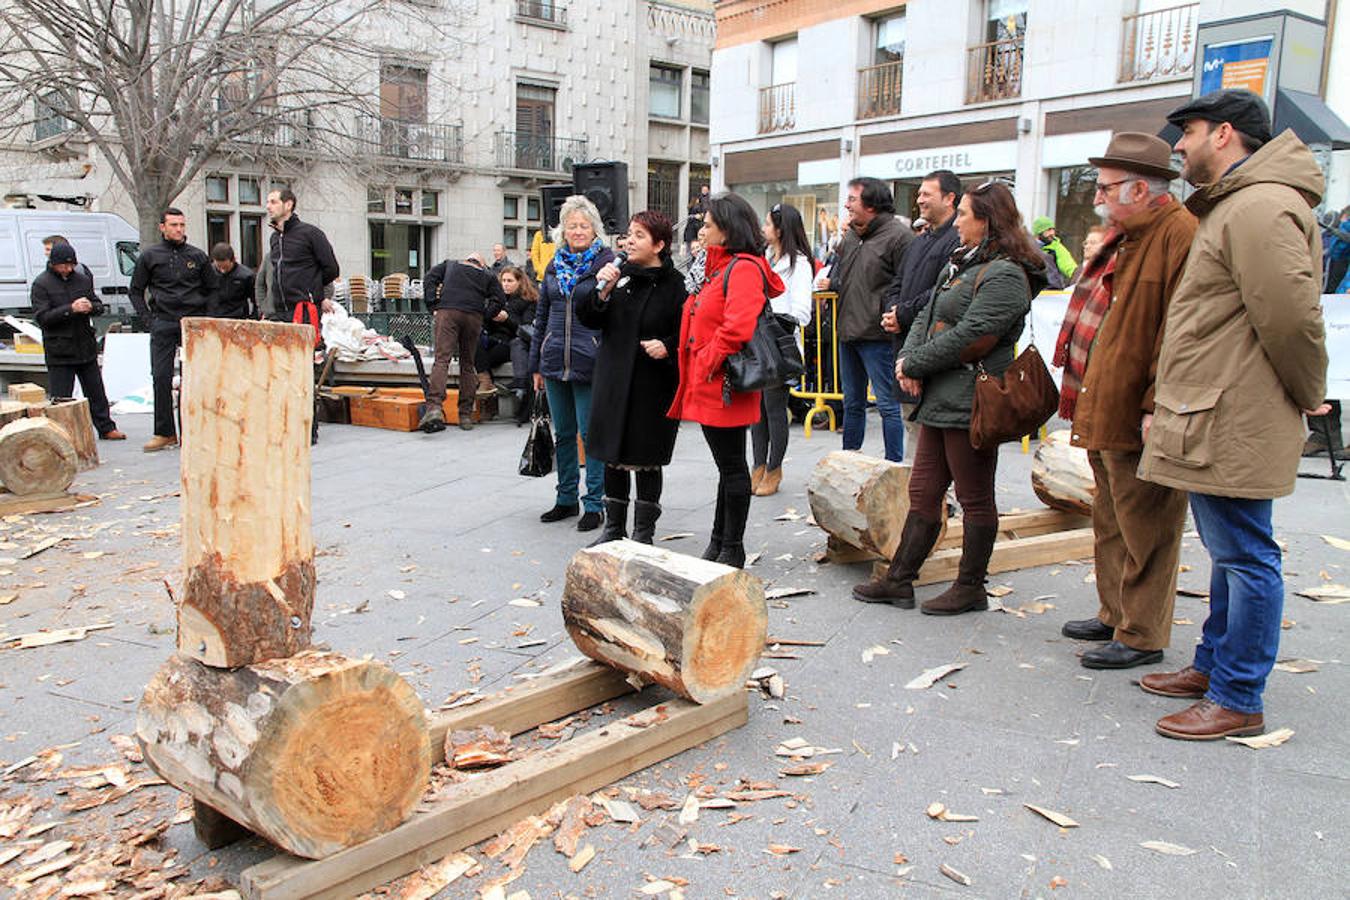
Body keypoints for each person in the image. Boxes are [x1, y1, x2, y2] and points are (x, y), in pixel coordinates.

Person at [1138, 90, 1328, 741]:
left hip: (1232, 411)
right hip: (1215, 407)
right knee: (1230, 550)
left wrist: (1309, 392)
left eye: (1186, 132)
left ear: (1223, 134)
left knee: (1246, 554)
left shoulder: (1257, 206)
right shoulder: (1243, 204)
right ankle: (1216, 666)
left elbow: (1292, 317)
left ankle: (1238, 694)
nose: (1179, 145)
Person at [852, 181, 1042, 614]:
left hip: (971, 400)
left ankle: (971, 587)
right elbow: (925, 315)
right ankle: (899, 580)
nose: (957, 222)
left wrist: (916, 364)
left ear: (988, 221)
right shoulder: (961, 264)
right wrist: (910, 359)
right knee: (923, 492)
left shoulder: (1008, 274)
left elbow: (971, 335)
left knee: (975, 497)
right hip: (941, 397)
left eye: (964, 215)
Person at [1052, 132, 1197, 670]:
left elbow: (1181, 334)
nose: (1097, 198)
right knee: (1112, 515)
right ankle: (1115, 612)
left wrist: (1156, 403)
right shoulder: (1126, 235)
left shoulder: (1178, 234)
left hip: (1138, 407)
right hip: (1103, 398)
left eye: (1107, 188)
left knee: (1149, 525)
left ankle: (1141, 633)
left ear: (1140, 190)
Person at [668, 192, 785, 568]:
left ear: (727, 227)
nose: (701, 230)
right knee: (728, 465)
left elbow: (737, 325)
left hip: (723, 383)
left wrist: (707, 359)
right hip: (711, 381)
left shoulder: (744, 268)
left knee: (732, 466)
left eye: (707, 223)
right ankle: (721, 541)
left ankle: (731, 547)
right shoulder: (718, 266)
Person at [576, 210, 684, 543]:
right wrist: (601, 289)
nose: (629, 241)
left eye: (639, 235)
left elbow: (687, 332)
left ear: (659, 244)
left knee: (646, 459)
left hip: (651, 386)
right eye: (629, 234)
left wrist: (667, 346)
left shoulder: (674, 284)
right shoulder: (619, 276)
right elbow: (589, 316)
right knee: (613, 455)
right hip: (613, 379)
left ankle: (643, 533)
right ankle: (613, 528)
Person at [529, 195, 614, 532]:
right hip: (553, 361)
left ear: (595, 229)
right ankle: (565, 498)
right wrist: (535, 361)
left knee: (589, 435)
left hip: (590, 361)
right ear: (561, 230)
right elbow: (541, 314)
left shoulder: (607, 263)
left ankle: (594, 504)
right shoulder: (554, 264)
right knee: (563, 434)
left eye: (584, 225)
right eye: (571, 225)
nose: (577, 231)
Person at [819, 177, 913, 461]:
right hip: (848, 332)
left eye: (852, 199)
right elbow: (845, 278)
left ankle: (894, 467)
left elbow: (906, 285)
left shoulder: (899, 237)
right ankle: (849, 464)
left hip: (879, 336)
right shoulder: (850, 236)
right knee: (852, 403)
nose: (846, 204)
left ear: (871, 205)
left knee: (887, 405)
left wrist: (892, 315)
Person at [880, 171, 964, 455]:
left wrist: (903, 314)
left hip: (932, 350)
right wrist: (891, 311)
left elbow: (943, 290)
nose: (920, 200)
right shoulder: (919, 241)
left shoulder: (957, 240)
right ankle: (917, 493)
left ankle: (939, 498)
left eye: (927, 194)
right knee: (911, 425)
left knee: (933, 438)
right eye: (918, 194)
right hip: (905, 346)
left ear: (949, 198)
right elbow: (897, 282)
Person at [129, 207, 216, 452]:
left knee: (194, 379)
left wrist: (205, 319)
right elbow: (136, 290)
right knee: (161, 376)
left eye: (182, 225)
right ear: (162, 227)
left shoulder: (197, 256)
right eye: (174, 225)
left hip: (192, 322)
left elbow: (213, 289)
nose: (179, 229)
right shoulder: (150, 256)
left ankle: (193, 430)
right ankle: (164, 432)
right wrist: (148, 319)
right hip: (163, 321)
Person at [30, 242, 124, 440]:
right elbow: (42, 317)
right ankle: (60, 433)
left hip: (84, 344)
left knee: (96, 392)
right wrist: (70, 309)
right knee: (61, 397)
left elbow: (99, 305)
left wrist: (92, 306)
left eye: (71, 264)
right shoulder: (41, 284)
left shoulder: (82, 280)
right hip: (59, 348)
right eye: (63, 265)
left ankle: (106, 427)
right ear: (53, 264)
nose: (68, 269)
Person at [750, 203, 813, 497]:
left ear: (780, 228)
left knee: (774, 409)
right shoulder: (764, 258)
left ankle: (774, 469)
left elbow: (803, 311)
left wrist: (772, 319)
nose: (764, 229)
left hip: (779, 344)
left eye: (768, 223)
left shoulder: (798, 263)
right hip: (756, 341)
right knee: (757, 411)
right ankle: (758, 466)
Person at [422, 252, 507, 431]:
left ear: (466, 260)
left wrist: (433, 303)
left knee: (442, 360)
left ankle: (435, 407)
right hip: (473, 316)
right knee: (468, 364)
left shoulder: (450, 264)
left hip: (448, 312)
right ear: (482, 265)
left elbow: (429, 278)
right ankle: (465, 415)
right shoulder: (487, 275)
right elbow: (499, 299)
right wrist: (485, 315)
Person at [265, 188, 338, 337]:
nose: (268, 207)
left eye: (273, 202)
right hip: (279, 313)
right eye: (267, 202)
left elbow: (331, 269)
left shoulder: (310, 234)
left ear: (288, 205)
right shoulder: (274, 238)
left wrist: (312, 289)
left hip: (304, 310)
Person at [496, 266, 539, 425]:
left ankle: (521, 385)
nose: (505, 284)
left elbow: (525, 329)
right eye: (503, 281)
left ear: (519, 282)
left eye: (509, 281)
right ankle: (485, 383)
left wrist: (507, 319)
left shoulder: (528, 300)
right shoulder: (497, 298)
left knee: (518, 346)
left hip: (521, 342)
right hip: (500, 341)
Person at [208, 243, 256, 319]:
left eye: (225, 267)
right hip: (214, 317)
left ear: (233, 260)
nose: (222, 270)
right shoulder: (208, 273)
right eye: (219, 267)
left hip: (237, 317)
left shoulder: (246, 276)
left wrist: (254, 318)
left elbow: (255, 299)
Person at [1032, 216, 1078, 282]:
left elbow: (1068, 265)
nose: (1052, 233)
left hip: (1051, 289)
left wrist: (1078, 277)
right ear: (1039, 232)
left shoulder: (1057, 248)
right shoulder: (1028, 248)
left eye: (1053, 229)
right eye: (1048, 230)